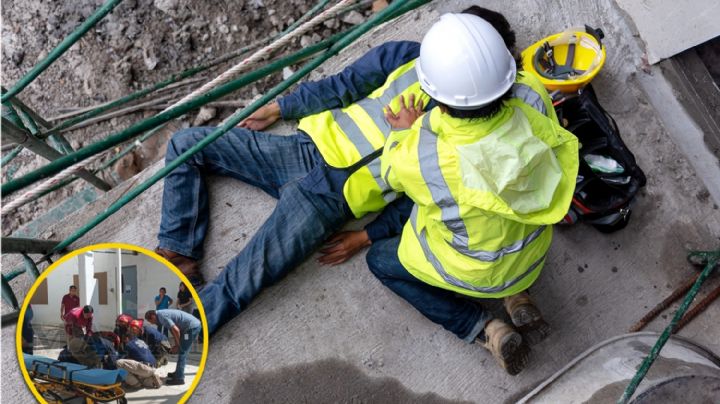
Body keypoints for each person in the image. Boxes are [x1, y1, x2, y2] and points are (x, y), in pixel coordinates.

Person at [155, 2, 558, 336]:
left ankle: (168, 337)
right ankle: (179, 252)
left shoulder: (461, 137)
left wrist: (366, 236)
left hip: (329, 202)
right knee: (186, 145)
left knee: (240, 283)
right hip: (304, 148)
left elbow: (426, 203)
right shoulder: (405, 57)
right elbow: (344, 84)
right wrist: (283, 107)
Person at [368, 13, 579, 375]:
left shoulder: (424, 152)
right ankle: (516, 297)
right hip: (530, 255)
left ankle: (487, 329)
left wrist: (405, 131)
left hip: (471, 270)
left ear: (436, 97)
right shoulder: (534, 95)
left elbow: (390, 175)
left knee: (379, 261)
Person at [145, 309, 202, 385]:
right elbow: (172, 330)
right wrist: (176, 344)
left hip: (191, 328)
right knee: (181, 349)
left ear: (153, 316)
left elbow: (176, 330)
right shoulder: (161, 315)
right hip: (188, 327)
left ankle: (179, 378)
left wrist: (178, 346)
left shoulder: (162, 317)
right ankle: (178, 372)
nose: (152, 323)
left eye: (151, 321)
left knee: (182, 352)